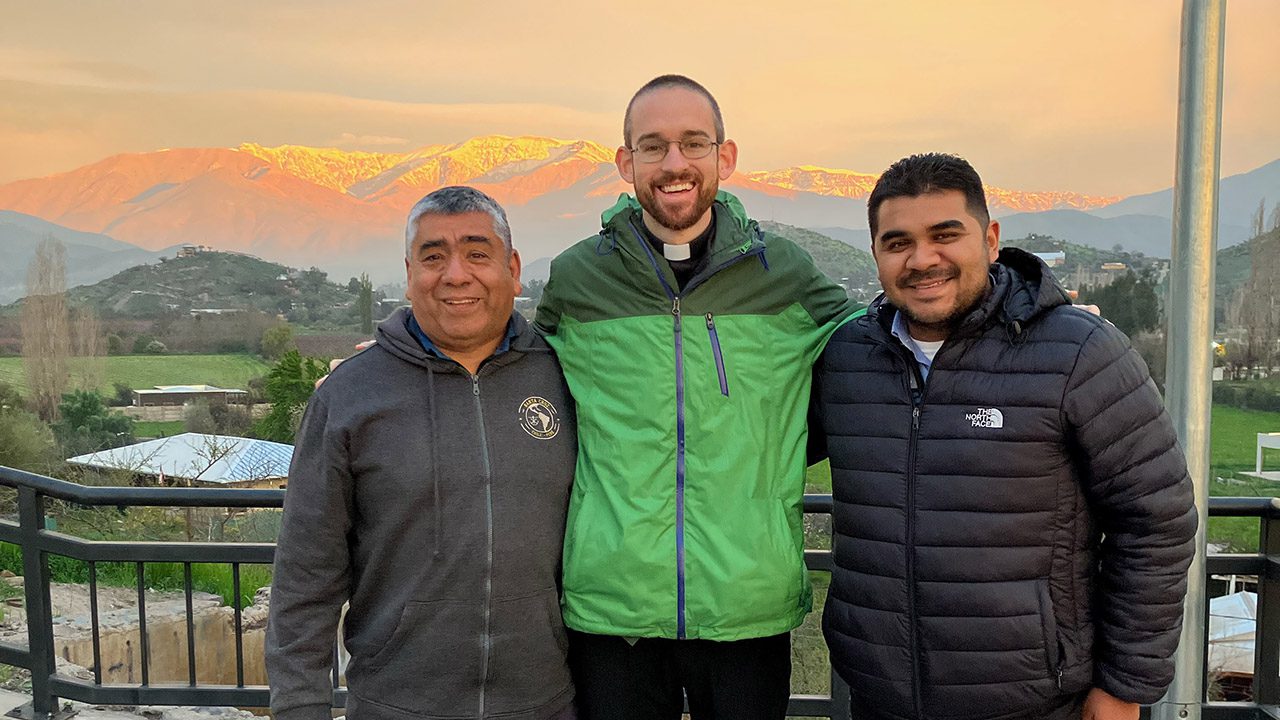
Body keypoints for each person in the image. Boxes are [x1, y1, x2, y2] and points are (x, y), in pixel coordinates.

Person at [812, 153, 1197, 720]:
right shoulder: (847, 360)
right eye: (898, 243)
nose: (923, 259)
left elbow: (1156, 520)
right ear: (875, 255)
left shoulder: (1078, 353)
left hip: (1036, 701)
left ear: (991, 239)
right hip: (881, 696)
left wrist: (1124, 687)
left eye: (946, 235)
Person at [534, 75, 855, 720]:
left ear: (724, 157)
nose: (674, 164)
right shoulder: (576, 280)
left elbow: (881, 347)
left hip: (746, 605)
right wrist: (409, 354)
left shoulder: (785, 275)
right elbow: (513, 369)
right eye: (652, 147)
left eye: (692, 143)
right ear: (626, 163)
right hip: (612, 608)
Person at [266, 186, 577, 720]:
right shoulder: (349, 396)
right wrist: (300, 706)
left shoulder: (569, 379)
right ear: (409, 274)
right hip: (396, 705)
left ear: (513, 267)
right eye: (434, 256)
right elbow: (306, 573)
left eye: (478, 253)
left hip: (546, 705)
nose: (456, 274)